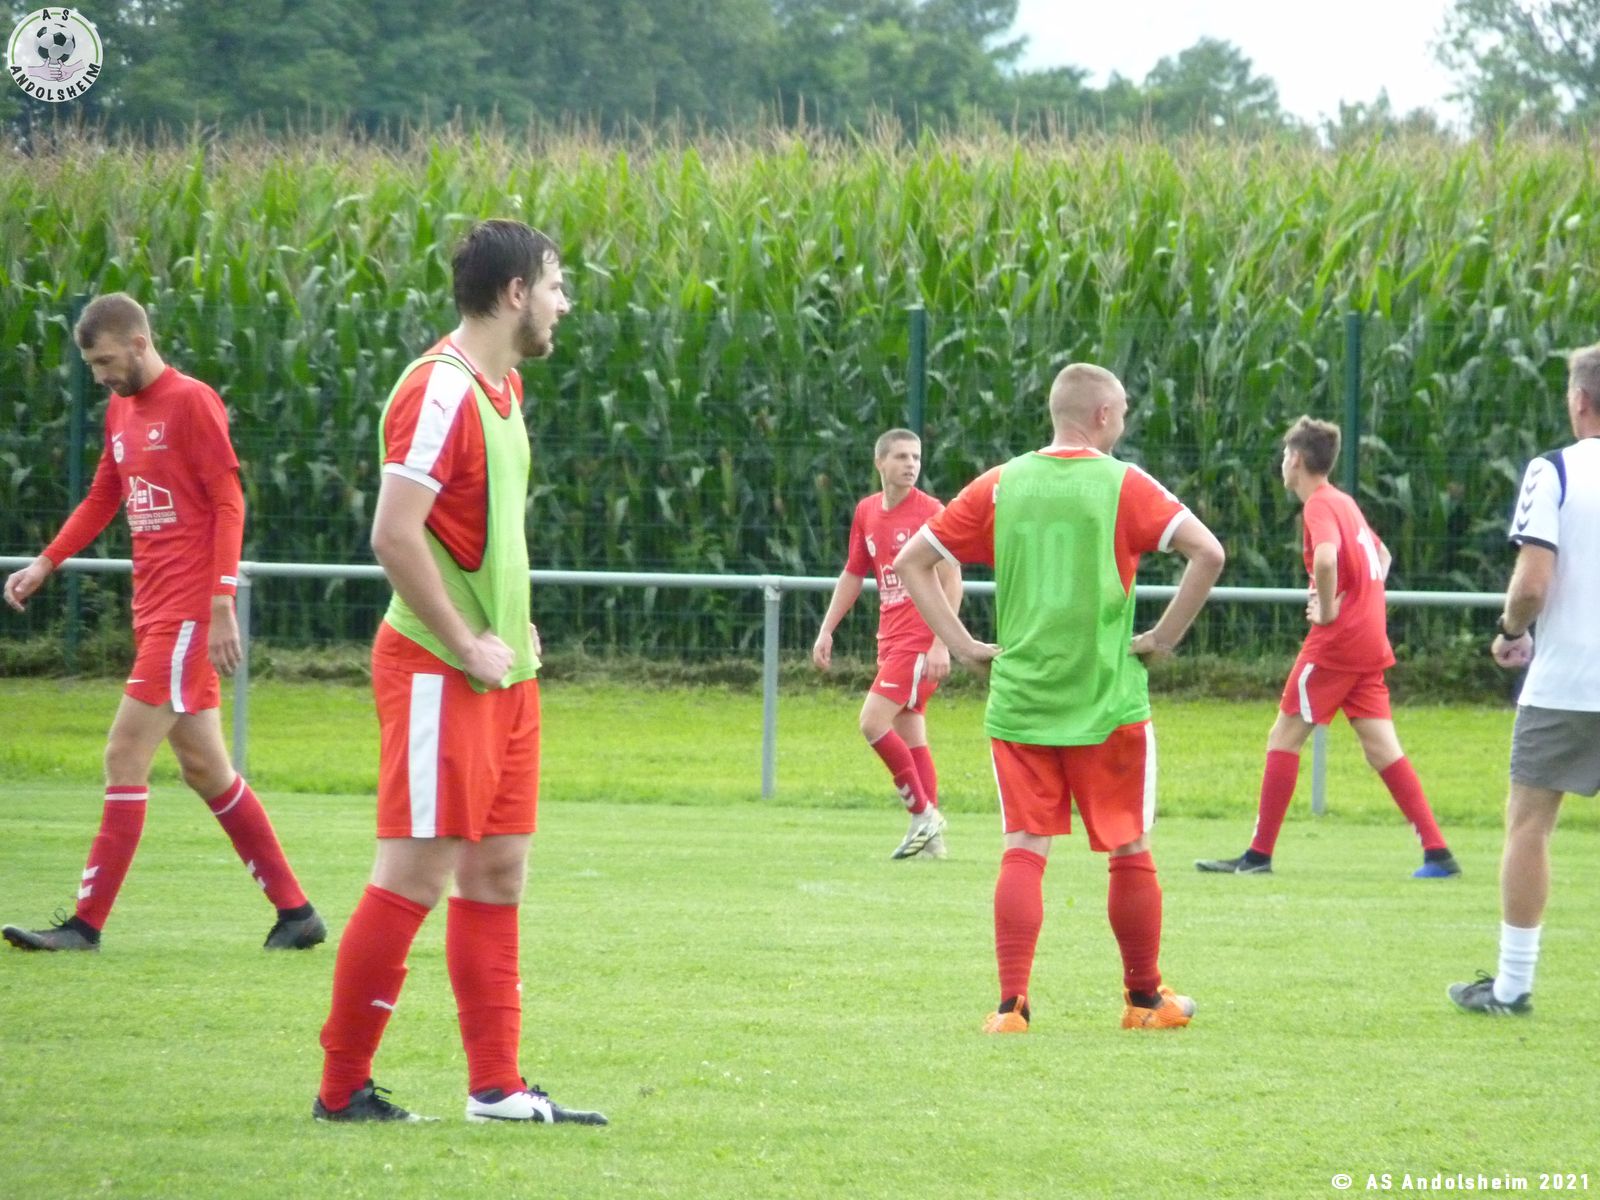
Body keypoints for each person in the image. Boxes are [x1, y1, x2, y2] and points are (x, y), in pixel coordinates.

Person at [313, 219, 606, 1125]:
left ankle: (497, 1089)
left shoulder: (504, 388)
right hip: (439, 669)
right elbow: (393, 535)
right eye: (555, 286)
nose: (564, 304)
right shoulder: (439, 388)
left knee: (499, 873)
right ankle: (340, 1090)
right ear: (515, 293)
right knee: (413, 875)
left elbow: (479, 538)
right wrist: (467, 640)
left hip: (505, 674)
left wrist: (512, 625)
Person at [894, 363, 1225, 1032]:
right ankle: (1144, 1001)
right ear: (1102, 415)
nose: (1125, 420)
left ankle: (1011, 1007)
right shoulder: (1122, 482)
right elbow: (1208, 554)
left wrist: (962, 644)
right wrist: (1163, 637)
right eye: (1123, 409)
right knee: (1129, 848)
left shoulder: (1002, 482)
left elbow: (911, 563)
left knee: (1023, 848)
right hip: (1107, 701)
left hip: (1022, 702)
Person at [2, 294, 324, 954]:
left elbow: (229, 502)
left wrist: (221, 601)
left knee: (123, 755)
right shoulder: (120, 410)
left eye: (105, 361)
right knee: (207, 770)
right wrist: (46, 562)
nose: (100, 376)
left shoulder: (192, 402)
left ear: (139, 343)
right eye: (92, 366)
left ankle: (84, 926)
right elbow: (104, 496)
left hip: (186, 613)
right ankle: (297, 915)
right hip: (153, 612)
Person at [1195, 417, 1461, 879]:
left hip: (1338, 644)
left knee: (1283, 738)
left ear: (1297, 460)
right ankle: (1438, 853)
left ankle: (1257, 857)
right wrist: (1356, 598)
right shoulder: (1344, 502)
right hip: (1369, 642)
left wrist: (1330, 608)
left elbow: (1325, 557)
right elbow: (1382, 556)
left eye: (1285, 455)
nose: (1282, 462)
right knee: (1382, 748)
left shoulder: (1319, 505)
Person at [1449, 343, 1600, 1016]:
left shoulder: (1555, 471)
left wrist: (1511, 631)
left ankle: (1512, 986)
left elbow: (1532, 584)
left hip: (1568, 682)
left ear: (1579, 401)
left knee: (1530, 824)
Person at [812, 429, 963, 859]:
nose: (911, 464)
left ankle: (923, 815)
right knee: (911, 733)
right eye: (901, 456)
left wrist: (941, 642)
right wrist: (827, 629)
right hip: (891, 639)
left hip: (919, 639)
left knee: (872, 722)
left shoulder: (931, 511)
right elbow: (854, 572)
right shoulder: (867, 511)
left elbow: (952, 579)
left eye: (916, 457)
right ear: (880, 462)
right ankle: (932, 840)